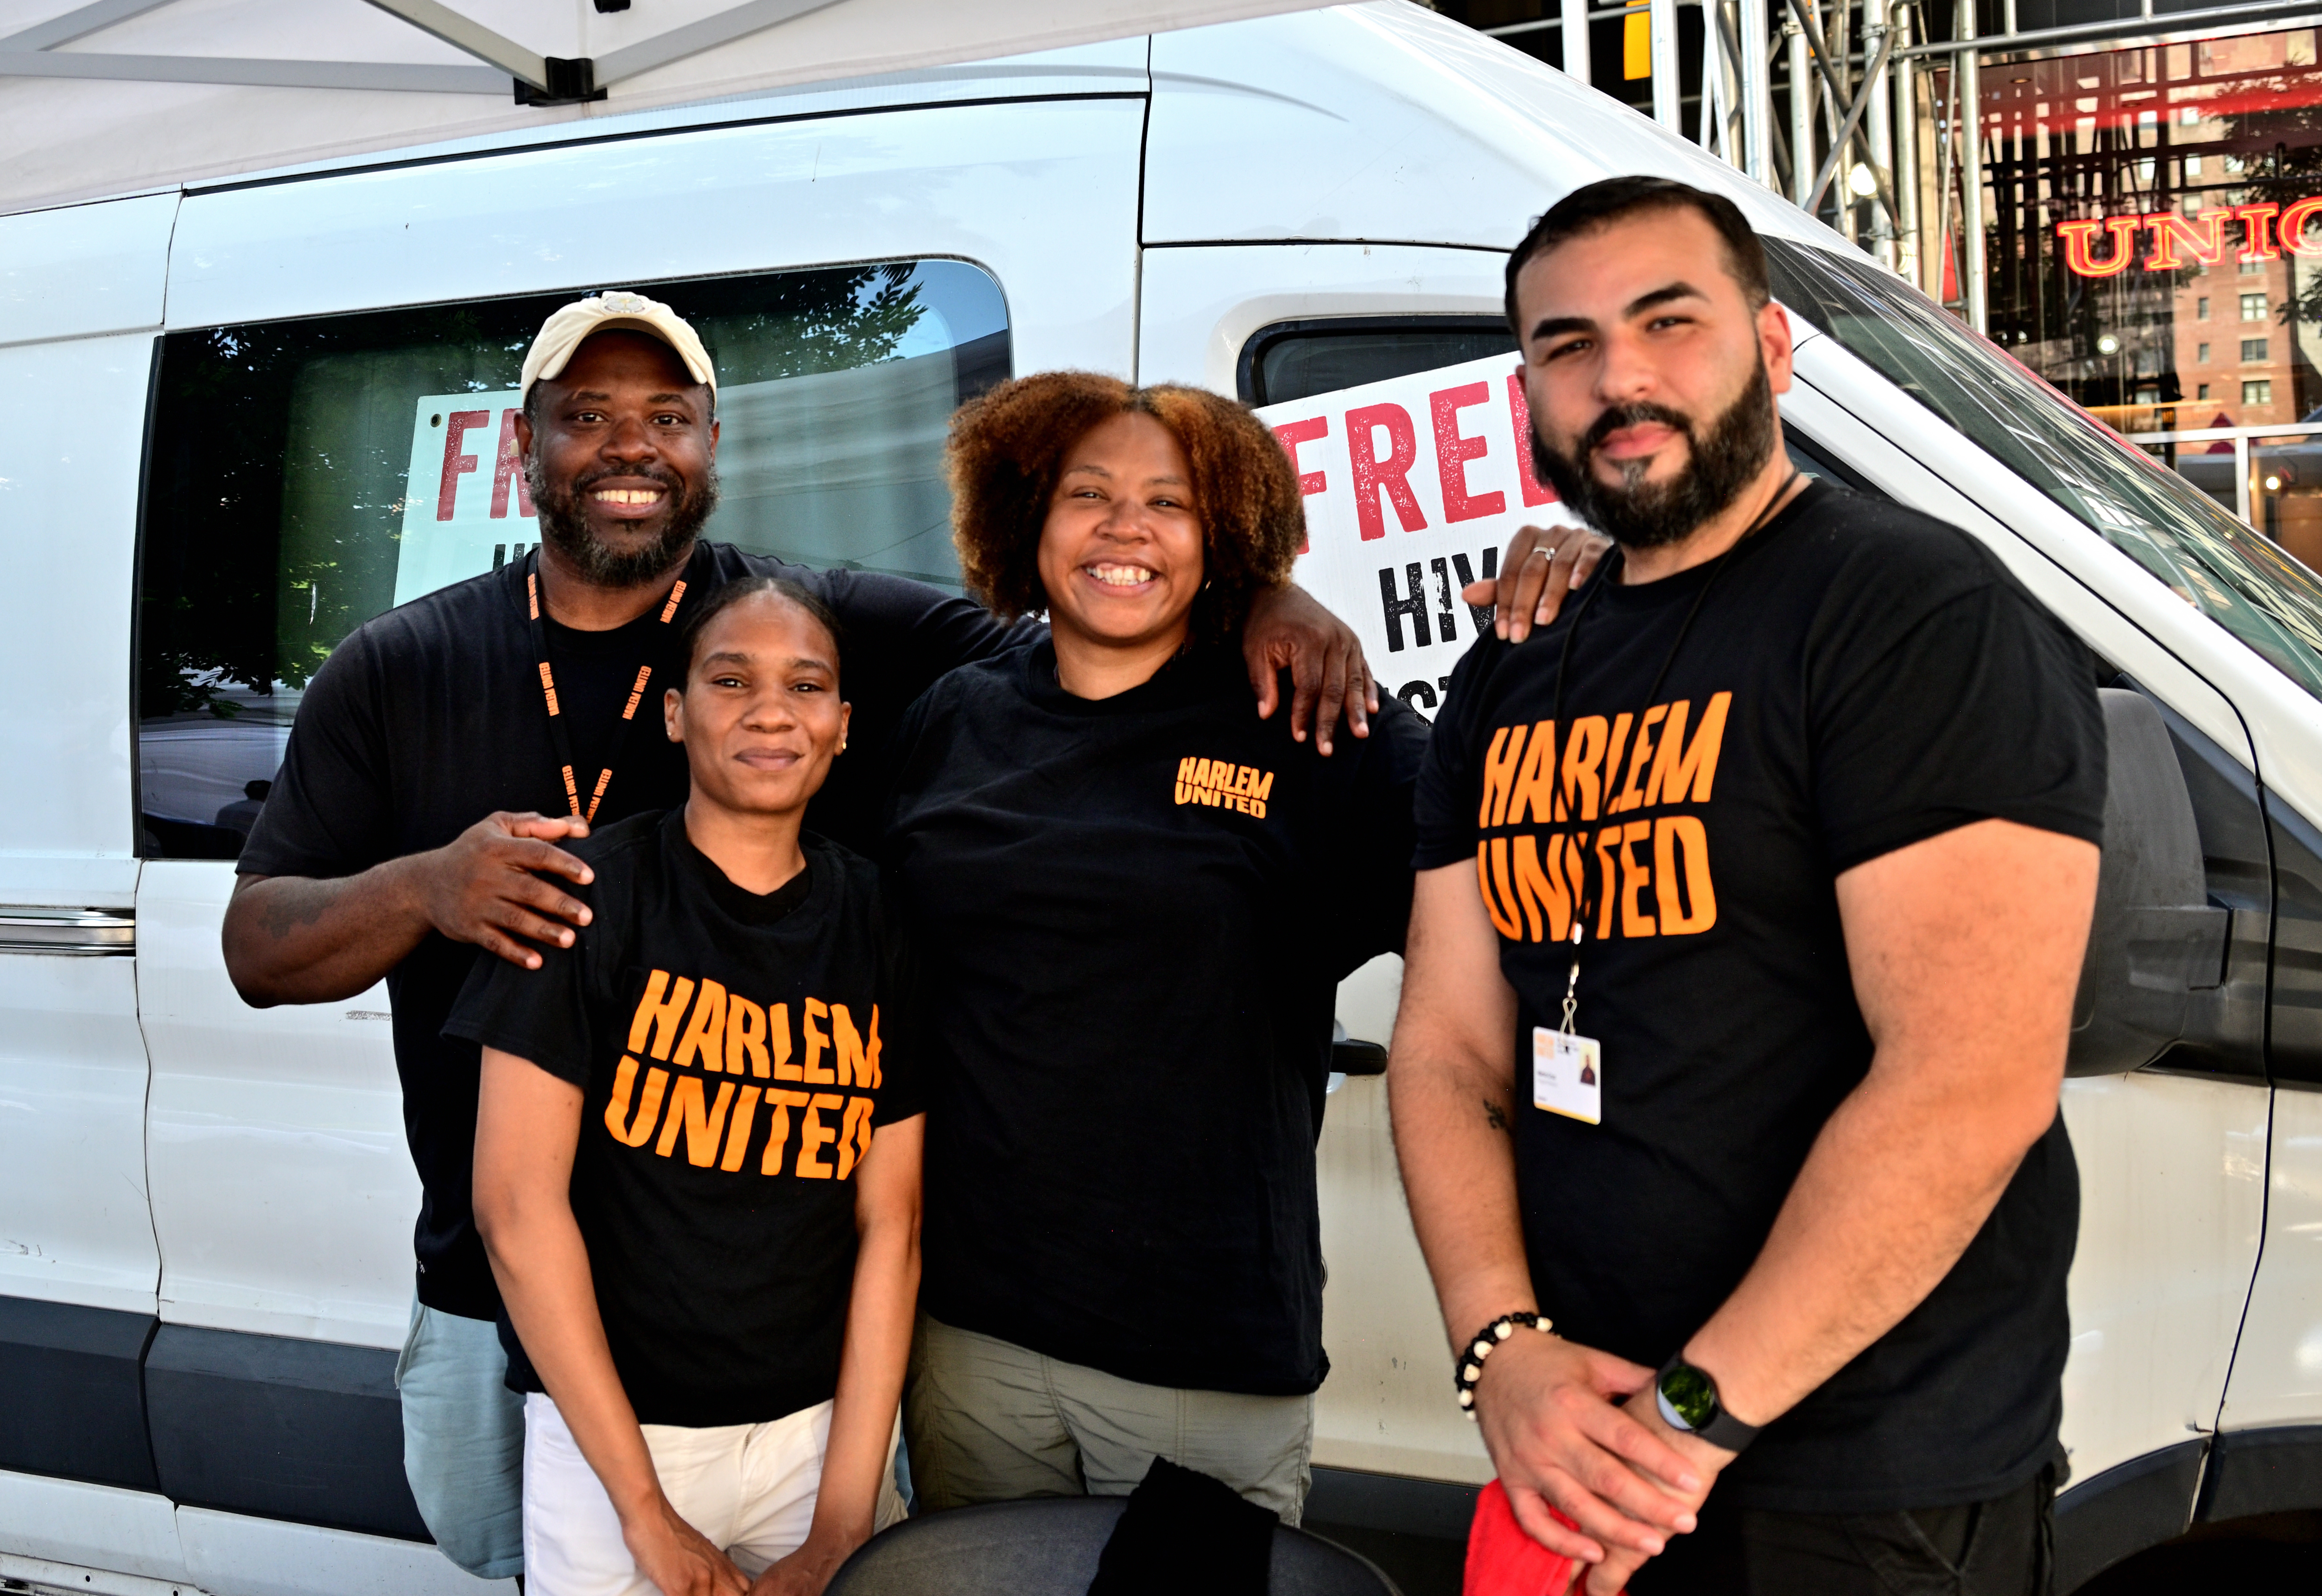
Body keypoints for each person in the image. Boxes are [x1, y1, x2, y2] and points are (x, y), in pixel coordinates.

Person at [216, 287, 1484, 1582]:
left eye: (667, 415)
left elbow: (1100, 616)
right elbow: (259, 946)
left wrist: (1264, 591)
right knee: (530, 1562)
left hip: (813, 1341)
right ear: (521, 442)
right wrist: (425, 888)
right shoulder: (397, 665)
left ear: (715, 441)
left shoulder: (804, 617)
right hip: (508, 1291)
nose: (629, 447)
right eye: (585, 415)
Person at [1388, 176, 2106, 1595]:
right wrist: (1501, 1353)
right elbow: (1448, 1043)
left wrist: (1690, 1419)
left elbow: (1965, 1085)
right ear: (1526, 390)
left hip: (1863, 1485)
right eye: (1566, 344)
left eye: (1670, 321)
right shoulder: (1510, 666)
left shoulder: (1912, 611)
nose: (1621, 376)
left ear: (1773, 349)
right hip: (1585, 1450)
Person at [881, 373, 1428, 1525]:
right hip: (970, 1337)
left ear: (1224, 536)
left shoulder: (1305, 718)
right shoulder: (952, 719)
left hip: (1204, 1357)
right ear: (1024, 517)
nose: (1124, 528)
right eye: (1089, 493)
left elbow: (1503, 885)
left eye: (1171, 504)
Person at [457, 577, 916, 1596]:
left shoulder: (882, 917)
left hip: (817, 1438)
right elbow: (515, 1209)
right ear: (675, 712)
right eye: (730, 679)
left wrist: (844, 1520)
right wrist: (644, 1513)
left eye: (807, 685)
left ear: (842, 726)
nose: (770, 710)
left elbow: (895, 1223)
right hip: (611, 1440)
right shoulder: (585, 898)